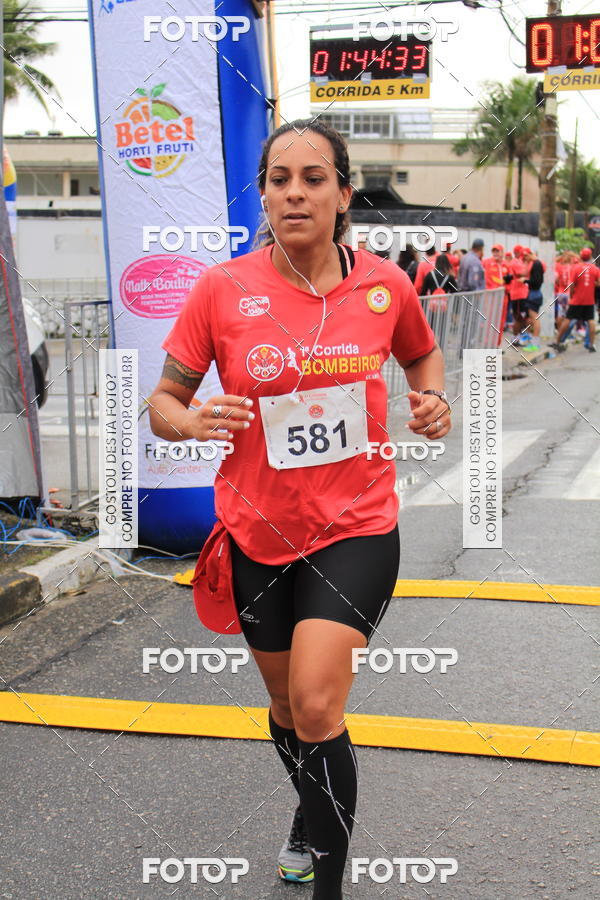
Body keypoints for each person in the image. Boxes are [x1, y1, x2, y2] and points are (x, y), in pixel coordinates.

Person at [148, 118, 451, 900]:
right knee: (285, 708)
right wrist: (187, 420)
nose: (294, 192)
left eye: (313, 178)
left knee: (317, 703)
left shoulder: (383, 284)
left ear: (343, 194)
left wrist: (431, 397)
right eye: (279, 179)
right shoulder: (223, 290)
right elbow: (164, 400)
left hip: (356, 525)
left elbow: (420, 351)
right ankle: (309, 814)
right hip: (257, 530)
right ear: (264, 195)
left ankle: (329, 885)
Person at [550, 247, 600, 353]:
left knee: (568, 319)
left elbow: (571, 285)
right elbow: (599, 283)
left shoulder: (576, 268)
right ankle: (591, 344)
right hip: (589, 300)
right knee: (590, 321)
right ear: (590, 256)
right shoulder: (595, 269)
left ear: (581, 256)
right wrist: (591, 284)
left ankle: (558, 341)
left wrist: (572, 295)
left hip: (577, 299)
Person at [519, 247, 545, 352]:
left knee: (534, 319)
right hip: (534, 293)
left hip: (535, 293)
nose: (525, 259)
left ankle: (535, 344)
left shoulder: (536, 264)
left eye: (526, 257)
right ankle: (533, 341)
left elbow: (537, 282)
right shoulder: (536, 263)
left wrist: (525, 280)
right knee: (532, 319)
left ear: (529, 254)